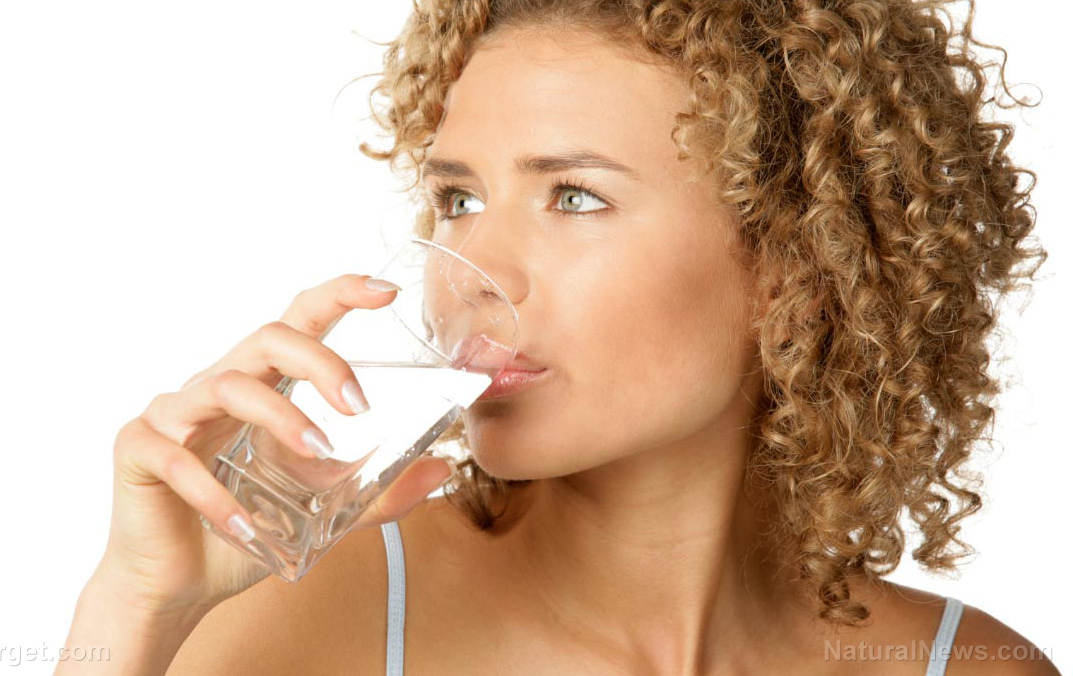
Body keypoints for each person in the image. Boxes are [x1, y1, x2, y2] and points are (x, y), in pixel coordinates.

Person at [55, 1, 1061, 674]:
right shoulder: (314, 622)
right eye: (458, 198)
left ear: (796, 269)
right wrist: (134, 613)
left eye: (573, 196)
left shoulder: (967, 668)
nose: (475, 271)